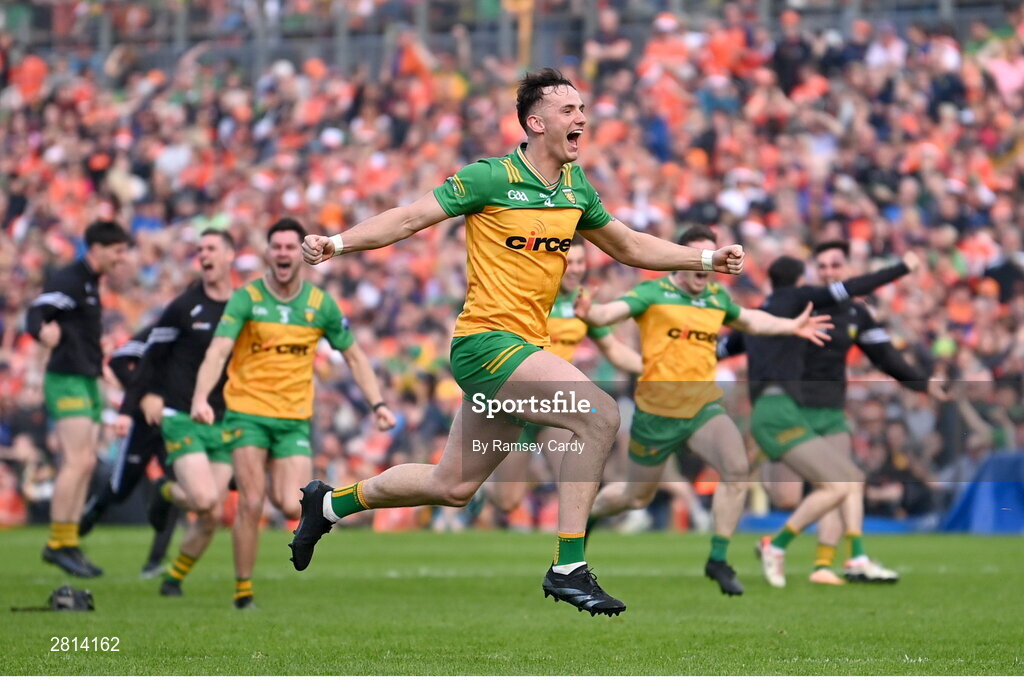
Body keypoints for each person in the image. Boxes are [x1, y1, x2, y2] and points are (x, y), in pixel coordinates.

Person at [289, 68, 744, 617]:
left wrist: (704, 258)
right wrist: (335, 243)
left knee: (452, 485)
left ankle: (330, 504)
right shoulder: (490, 177)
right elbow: (409, 218)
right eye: (569, 110)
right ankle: (568, 566)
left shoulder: (575, 189)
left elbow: (627, 244)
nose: (582, 118)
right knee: (598, 415)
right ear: (535, 123)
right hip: (485, 345)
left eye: (583, 109)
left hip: (521, 352)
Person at [576, 225, 831, 596]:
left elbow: (752, 320)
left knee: (736, 468)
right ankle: (591, 516)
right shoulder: (653, 292)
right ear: (680, 259)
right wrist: (590, 313)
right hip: (656, 414)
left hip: (703, 407)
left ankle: (718, 560)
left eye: (711, 258)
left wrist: (792, 325)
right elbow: (608, 314)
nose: (705, 266)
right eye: (698, 257)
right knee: (635, 497)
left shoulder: (716, 297)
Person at [191, 218, 396, 609]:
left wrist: (379, 405)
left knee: (291, 504)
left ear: (300, 254)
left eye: (290, 246)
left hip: (292, 419)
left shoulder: (320, 305)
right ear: (268, 252)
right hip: (247, 413)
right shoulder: (246, 298)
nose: (283, 252)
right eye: (277, 246)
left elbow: (352, 355)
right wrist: (201, 397)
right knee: (251, 504)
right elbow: (218, 350)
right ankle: (243, 592)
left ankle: (261, 477)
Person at [722, 245, 941, 586]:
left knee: (846, 481)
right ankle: (777, 538)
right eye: (821, 265)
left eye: (835, 264)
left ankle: (837, 561)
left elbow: (885, 357)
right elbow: (741, 338)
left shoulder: (856, 314)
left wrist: (923, 384)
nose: (828, 270)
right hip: (789, 410)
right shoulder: (798, 304)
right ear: (811, 273)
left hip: (830, 410)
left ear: (846, 267)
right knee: (788, 497)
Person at [487, 232, 642, 517]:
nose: (577, 269)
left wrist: (657, 369)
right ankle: (490, 481)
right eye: (570, 262)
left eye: (582, 262)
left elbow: (615, 351)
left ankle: (571, 557)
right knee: (507, 500)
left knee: (577, 486)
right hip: (516, 405)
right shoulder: (531, 297)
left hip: (555, 407)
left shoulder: (583, 304)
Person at [127, 228, 237, 597]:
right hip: (181, 413)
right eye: (200, 249)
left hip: (224, 419)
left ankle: (173, 579)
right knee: (205, 500)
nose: (204, 254)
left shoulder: (243, 306)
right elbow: (151, 354)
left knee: (212, 516)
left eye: (211, 248)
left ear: (229, 257)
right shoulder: (183, 306)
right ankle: (166, 490)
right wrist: (146, 395)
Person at [26, 219, 131, 577]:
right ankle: (56, 544)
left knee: (86, 462)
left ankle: (68, 542)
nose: (122, 257)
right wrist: (42, 332)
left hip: (85, 377)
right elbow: (36, 312)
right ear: (98, 249)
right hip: (66, 379)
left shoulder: (89, 282)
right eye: (117, 251)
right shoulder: (71, 278)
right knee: (75, 461)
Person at [78, 324, 180, 578]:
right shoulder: (168, 325)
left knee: (178, 487)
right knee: (119, 489)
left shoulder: (213, 334)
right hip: (144, 423)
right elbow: (119, 361)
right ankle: (81, 526)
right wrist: (144, 396)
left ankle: (155, 560)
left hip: (178, 422)